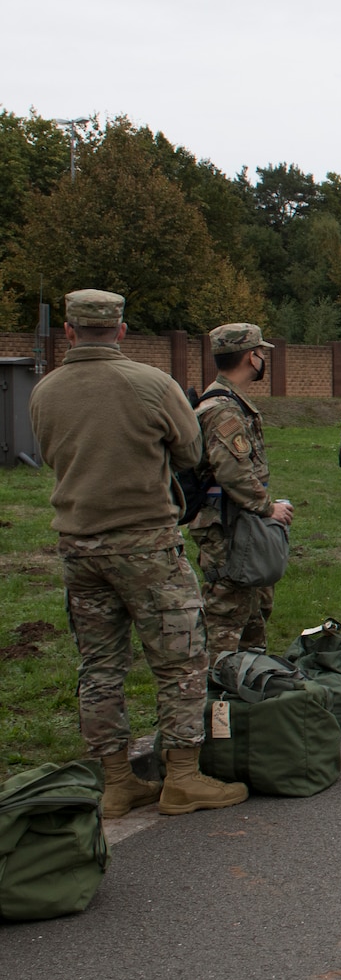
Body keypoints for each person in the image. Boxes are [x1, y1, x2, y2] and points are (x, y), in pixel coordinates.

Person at [28, 290, 246, 818]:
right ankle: (182, 779)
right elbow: (191, 452)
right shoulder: (151, 384)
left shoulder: (45, 391)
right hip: (147, 543)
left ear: (70, 333)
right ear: (121, 331)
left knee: (99, 665)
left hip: (79, 547)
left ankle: (118, 782)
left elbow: (47, 452)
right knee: (180, 662)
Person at [191, 323, 293, 653]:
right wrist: (268, 507)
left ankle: (247, 689)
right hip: (229, 525)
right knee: (226, 615)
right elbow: (232, 470)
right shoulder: (223, 408)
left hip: (238, 519)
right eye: (261, 352)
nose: (263, 358)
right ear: (251, 357)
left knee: (251, 616)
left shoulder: (230, 401)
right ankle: (218, 695)